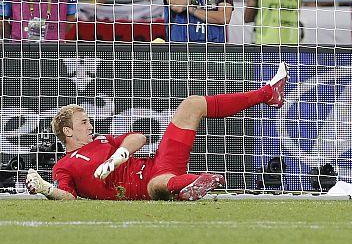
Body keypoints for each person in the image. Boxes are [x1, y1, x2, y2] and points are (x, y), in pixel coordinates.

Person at [24, 63, 289, 200]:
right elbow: (68, 197)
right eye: (83, 123)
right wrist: (45, 188)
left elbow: (139, 137)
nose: (91, 126)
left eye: (89, 121)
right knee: (159, 186)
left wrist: (116, 157)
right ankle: (195, 182)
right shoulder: (64, 166)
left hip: (159, 163)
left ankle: (267, 93)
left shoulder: (103, 140)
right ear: (68, 131)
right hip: (143, 187)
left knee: (192, 104)